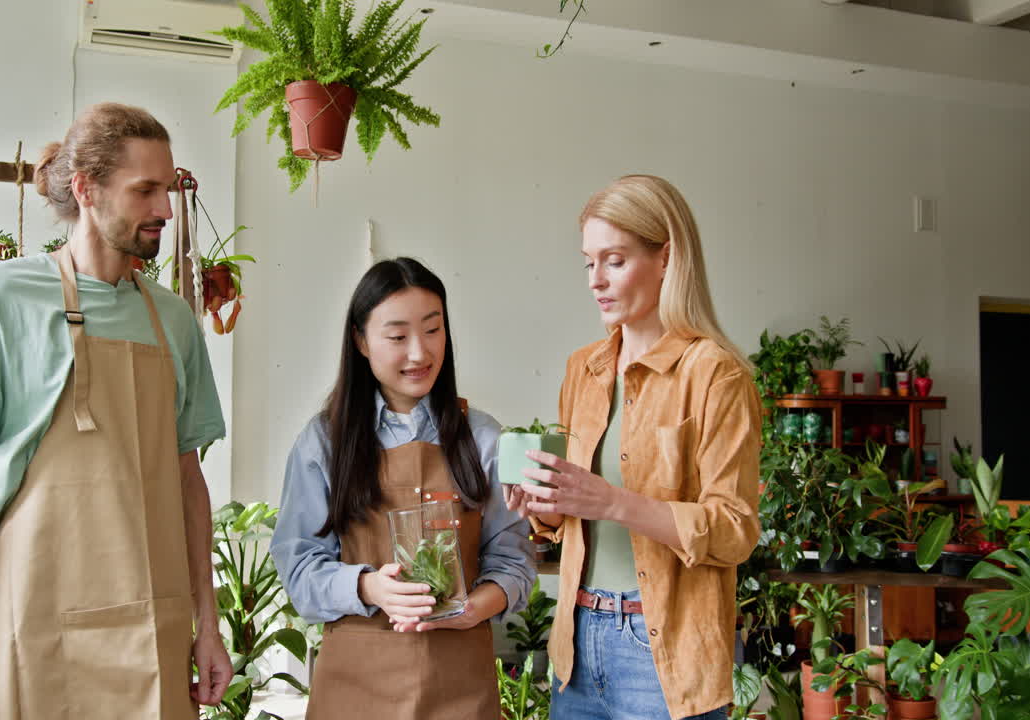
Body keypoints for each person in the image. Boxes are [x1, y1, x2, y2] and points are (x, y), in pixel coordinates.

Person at [0, 102, 232, 720]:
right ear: (86, 189)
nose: (164, 209)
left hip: (154, 632)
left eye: (167, 189)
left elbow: (187, 482)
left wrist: (209, 622)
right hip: (29, 630)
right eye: (145, 191)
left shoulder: (172, 319)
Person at [508, 175, 761, 720]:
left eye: (614, 260)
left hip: (664, 655)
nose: (595, 280)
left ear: (666, 258)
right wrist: (546, 506)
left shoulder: (716, 374)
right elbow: (573, 518)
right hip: (576, 642)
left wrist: (614, 502)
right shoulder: (584, 368)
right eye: (588, 262)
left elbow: (736, 529)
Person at [271, 257, 536, 720]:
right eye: (397, 337)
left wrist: (476, 607)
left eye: (433, 330)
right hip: (354, 687)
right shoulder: (323, 442)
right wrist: (370, 587)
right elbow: (298, 568)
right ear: (361, 341)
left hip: (459, 683)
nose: (419, 352)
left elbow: (514, 558)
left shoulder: (485, 437)